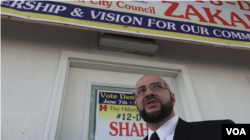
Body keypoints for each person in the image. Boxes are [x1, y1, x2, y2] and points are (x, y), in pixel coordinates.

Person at [134, 74, 234, 140]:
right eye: (141, 91)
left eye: (157, 86)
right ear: (137, 108)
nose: (149, 93)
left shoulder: (221, 129)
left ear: (173, 99)